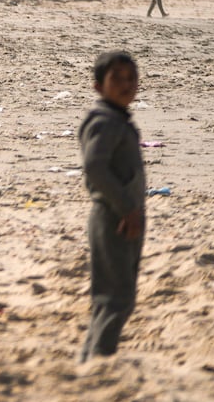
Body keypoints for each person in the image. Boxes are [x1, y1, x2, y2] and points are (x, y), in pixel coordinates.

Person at [78, 51, 146, 362]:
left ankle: (89, 360)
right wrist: (126, 209)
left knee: (111, 297)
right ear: (98, 86)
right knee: (117, 298)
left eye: (131, 78)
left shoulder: (117, 118)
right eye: (116, 78)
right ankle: (99, 362)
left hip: (122, 214)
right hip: (114, 216)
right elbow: (95, 168)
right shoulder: (105, 121)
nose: (126, 84)